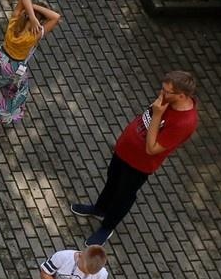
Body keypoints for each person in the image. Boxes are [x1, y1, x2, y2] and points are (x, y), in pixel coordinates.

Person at [71, 70, 199, 245]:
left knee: (124, 195)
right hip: (124, 151)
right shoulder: (167, 100)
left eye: (167, 91)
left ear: (182, 95)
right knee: (112, 180)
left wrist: (157, 114)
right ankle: (99, 208)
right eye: (162, 88)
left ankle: (107, 226)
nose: (161, 93)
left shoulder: (184, 122)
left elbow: (152, 148)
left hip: (139, 164)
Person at [0, 0, 61, 135]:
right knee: (9, 96)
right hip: (13, 68)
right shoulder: (35, 33)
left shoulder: (15, 21)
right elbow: (56, 17)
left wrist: (30, 11)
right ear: (41, 21)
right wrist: (35, 16)